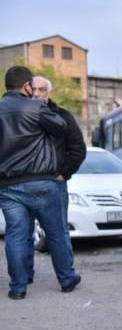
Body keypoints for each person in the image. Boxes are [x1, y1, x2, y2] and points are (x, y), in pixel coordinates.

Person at [0, 66, 81, 299]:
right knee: (56, 233)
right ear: (26, 86)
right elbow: (60, 127)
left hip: (7, 186)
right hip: (40, 183)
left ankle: (18, 288)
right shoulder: (36, 107)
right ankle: (66, 279)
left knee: (15, 235)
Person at [30, 76, 87, 284]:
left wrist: (64, 173)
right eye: (33, 89)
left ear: (49, 92)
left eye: (42, 90)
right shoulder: (18, 116)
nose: (37, 94)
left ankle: (66, 277)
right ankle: (25, 276)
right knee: (23, 232)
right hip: (23, 182)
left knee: (59, 231)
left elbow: (78, 148)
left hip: (55, 182)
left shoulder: (62, 116)